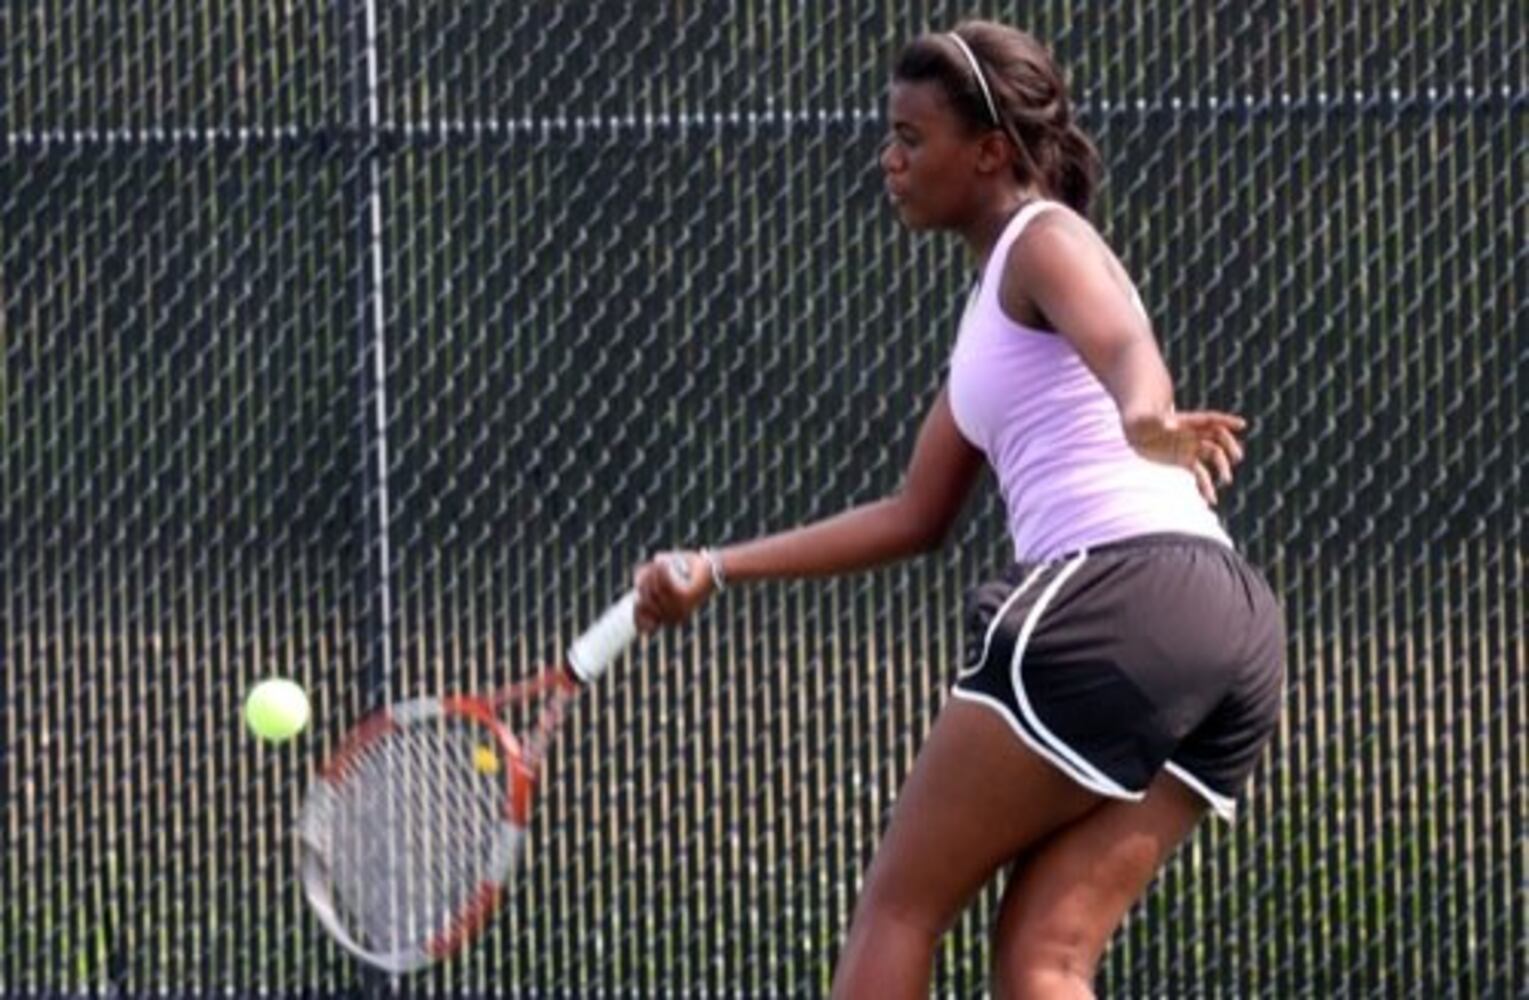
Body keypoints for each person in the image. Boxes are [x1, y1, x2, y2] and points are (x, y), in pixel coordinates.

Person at [632, 19, 1285, 999]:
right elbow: (911, 515)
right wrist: (715, 565)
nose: (886, 158)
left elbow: (1123, 341)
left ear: (987, 152)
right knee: (1043, 958)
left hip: (1117, 593)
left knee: (898, 906)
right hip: (1225, 628)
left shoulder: (1043, 237)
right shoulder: (988, 321)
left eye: (909, 135)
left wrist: (1145, 413)